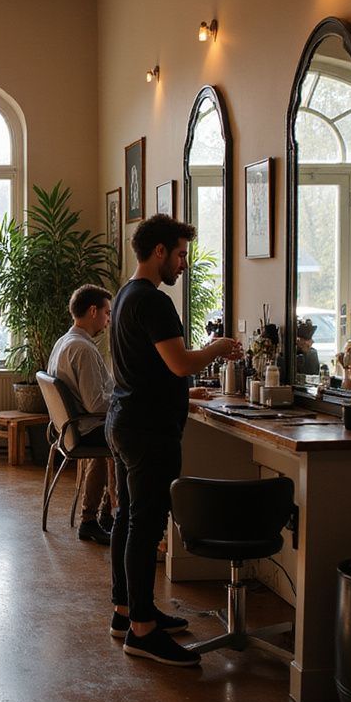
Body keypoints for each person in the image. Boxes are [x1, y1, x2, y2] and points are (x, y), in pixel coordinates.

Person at [106, 214, 243, 666]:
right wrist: (219, 349)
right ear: (160, 251)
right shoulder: (155, 301)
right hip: (149, 430)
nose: (184, 263)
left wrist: (186, 387)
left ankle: (128, 611)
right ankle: (143, 633)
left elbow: (156, 367)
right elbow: (181, 362)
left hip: (126, 420)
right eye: (181, 254)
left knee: (130, 519)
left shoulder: (126, 295)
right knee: (145, 527)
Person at [46, 283, 117, 546]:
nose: (109, 319)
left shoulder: (65, 342)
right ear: (92, 311)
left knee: (118, 430)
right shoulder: (84, 349)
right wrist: (127, 400)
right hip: (84, 429)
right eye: (107, 313)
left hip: (67, 429)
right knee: (129, 434)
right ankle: (102, 516)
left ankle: (106, 514)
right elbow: (96, 404)